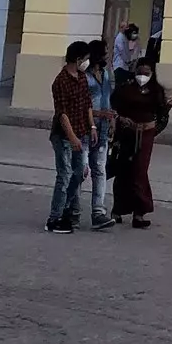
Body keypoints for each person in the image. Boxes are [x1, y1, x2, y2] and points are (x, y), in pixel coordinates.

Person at [114, 56, 172, 228]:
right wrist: (122, 120)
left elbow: (161, 113)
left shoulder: (155, 91)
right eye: (139, 72)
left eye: (146, 73)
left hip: (146, 134)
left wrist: (168, 106)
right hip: (128, 133)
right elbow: (115, 107)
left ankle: (139, 212)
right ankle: (118, 209)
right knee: (124, 170)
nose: (142, 75)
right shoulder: (126, 89)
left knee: (140, 171)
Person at [47, 41, 92, 233]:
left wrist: (91, 126)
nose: (87, 62)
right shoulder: (61, 81)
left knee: (80, 172)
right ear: (78, 59)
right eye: (85, 59)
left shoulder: (81, 77)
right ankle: (54, 218)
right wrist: (72, 137)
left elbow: (86, 103)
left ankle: (67, 209)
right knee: (64, 175)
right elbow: (62, 113)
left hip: (81, 131)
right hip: (64, 136)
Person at [83, 39, 116, 228]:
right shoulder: (84, 77)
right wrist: (98, 115)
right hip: (87, 128)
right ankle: (71, 209)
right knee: (81, 170)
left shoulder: (104, 74)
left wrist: (111, 118)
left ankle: (98, 211)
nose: (106, 54)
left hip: (103, 129)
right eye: (104, 52)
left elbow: (108, 98)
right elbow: (83, 104)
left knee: (100, 170)